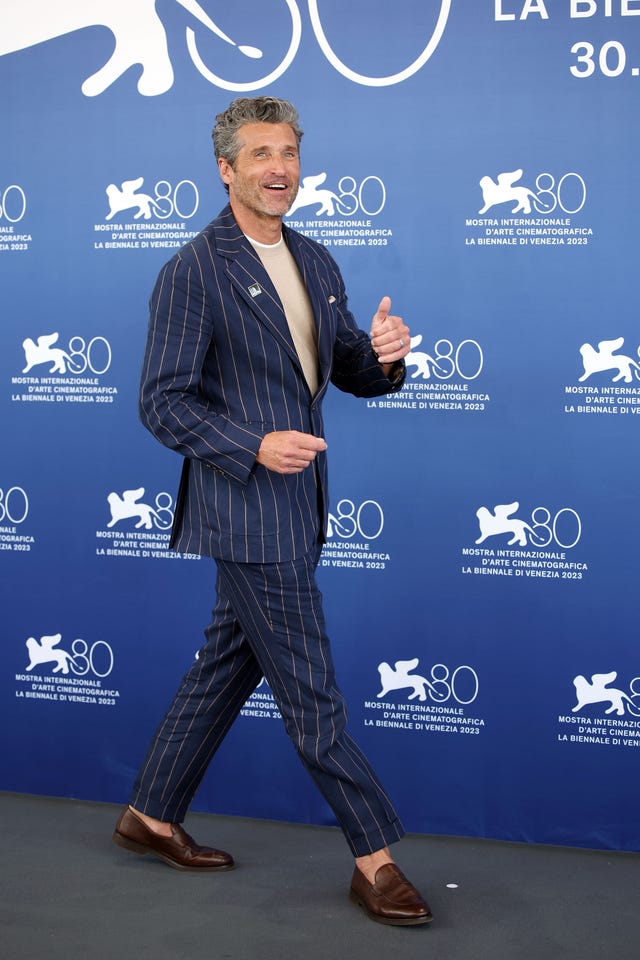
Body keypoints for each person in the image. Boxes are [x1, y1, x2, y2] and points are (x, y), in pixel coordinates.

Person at [112, 96, 432, 927]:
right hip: (247, 512)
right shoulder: (194, 269)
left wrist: (387, 359)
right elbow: (162, 402)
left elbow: (351, 370)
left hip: (302, 504)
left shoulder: (315, 259)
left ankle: (149, 814)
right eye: (260, 154)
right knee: (312, 694)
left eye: (287, 152)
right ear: (226, 169)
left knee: (227, 661)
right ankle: (375, 859)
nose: (278, 168)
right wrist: (253, 444)